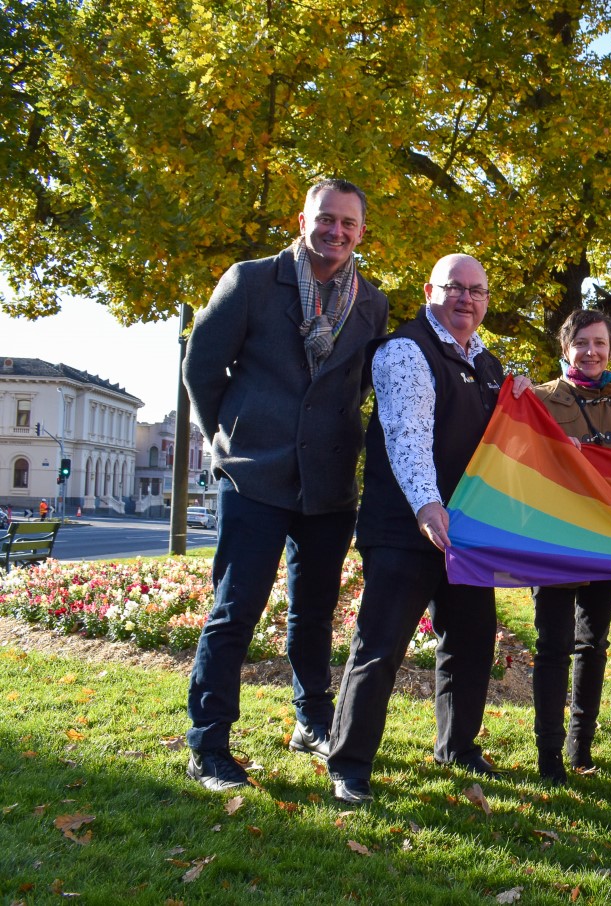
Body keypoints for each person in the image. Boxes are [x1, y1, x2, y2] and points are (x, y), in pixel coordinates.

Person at [181, 178, 389, 791]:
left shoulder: (372, 304)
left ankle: (312, 722)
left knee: (315, 613)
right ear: (303, 218)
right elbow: (200, 366)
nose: (337, 231)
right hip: (254, 476)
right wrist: (232, 435)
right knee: (235, 610)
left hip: (326, 483)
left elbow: (357, 388)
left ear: (360, 232)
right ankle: (209, 745)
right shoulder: (250, 281)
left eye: (348, 224)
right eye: (327, 219)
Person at [326, 253, 530, 804]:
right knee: (380, 646)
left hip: (465, 536)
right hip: (405, 527)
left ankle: (457, 747)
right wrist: (426, 506)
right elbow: (407, 435)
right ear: (429, 289)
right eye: (454, 288)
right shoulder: (404, 351)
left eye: (477, 291)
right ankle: (349, 763)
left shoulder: (489, 365)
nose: (466, 299)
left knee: (470, 642)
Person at [530, 310, 611, 785]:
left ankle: (581, 747)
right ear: (566, 349)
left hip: (606, 540)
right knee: (552, 646)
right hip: (554, 539)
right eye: (582, 343)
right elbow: (521, 465)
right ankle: (548, 752)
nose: (592, 352)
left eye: (600, 343)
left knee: (592, 645)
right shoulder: (538, 400)